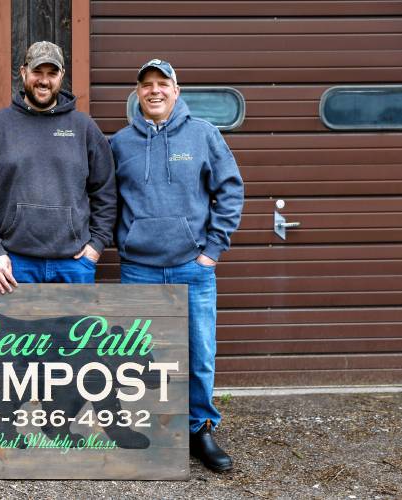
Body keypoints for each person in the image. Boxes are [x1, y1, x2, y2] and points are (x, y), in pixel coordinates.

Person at [110, 59, 244, 472]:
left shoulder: (203, 135)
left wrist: (211, 252)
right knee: (139, 357)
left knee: (198, 353)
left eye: (162, 84)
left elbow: (230, 190)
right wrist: (122, 244)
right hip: (139, 268)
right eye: (146, 85)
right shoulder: (119, 143)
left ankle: (199, 429)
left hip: (192, 266)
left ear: (176, 90)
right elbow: (105, 202)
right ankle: (151, 431)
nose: (154, 91)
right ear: (137, 93)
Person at [0, 41, 115, 291]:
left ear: (62, 76)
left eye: (52, 73)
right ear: (24, 72)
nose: (44, 80)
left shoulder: (84, 128)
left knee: (75, 331)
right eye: (37, 72)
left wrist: (96, 245)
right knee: (13, 330)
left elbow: (106, 191)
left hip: (74, 263)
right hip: (13, 264)